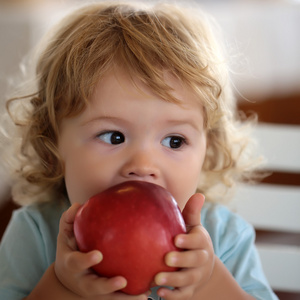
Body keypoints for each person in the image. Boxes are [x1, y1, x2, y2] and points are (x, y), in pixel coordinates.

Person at [0, 2, 278, 300]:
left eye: (174, 141)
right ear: (53, 145)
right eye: (113, 136)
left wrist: (209, 284)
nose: (143, 165)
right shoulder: (35, 233)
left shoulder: (225, 238)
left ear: (207, 151)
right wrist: (60, 288)